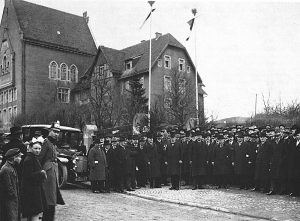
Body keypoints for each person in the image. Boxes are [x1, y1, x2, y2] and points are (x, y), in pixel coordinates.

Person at [38, 123, 65, 221]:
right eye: (54, 131)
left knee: (52, 199)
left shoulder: (52, 144)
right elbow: (40, 158)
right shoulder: (46, 142)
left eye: (58, 132)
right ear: (50, 131)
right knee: (49, 199)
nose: (56, 134)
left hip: (53, 172)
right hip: (47, 174)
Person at [21, 138, 48, 221]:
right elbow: (28, 176)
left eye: (39, 149)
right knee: (34, 213)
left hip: (34, 189)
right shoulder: (29, 159)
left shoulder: (33, 158)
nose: (38, 150)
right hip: (31, 191)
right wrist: (41, 173)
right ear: (30, 148)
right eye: (35, 148)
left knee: (33, 213)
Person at [0, 148, 23, 221]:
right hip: (10, 201)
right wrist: (13, 195)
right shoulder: (6, 169)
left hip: (13, 200)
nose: (20, 159)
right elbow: (8, 187)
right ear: (14, 158)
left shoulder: (11, 167)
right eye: (19, 157)